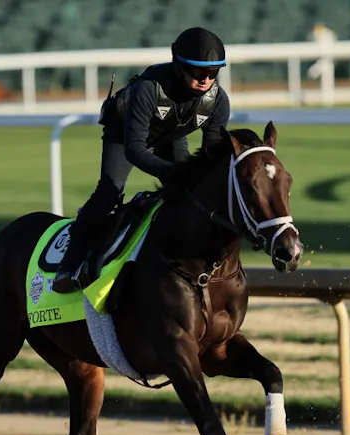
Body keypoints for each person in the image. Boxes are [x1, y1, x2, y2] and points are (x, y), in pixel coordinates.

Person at [52, 27, 231, 293]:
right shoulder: (149, 87)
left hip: (171, 136)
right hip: (124, 134)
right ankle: (69, 266)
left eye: (213, 72)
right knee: (110, 191)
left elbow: (211, 158)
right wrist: (174, 172)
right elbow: (134, 148)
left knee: (192, 195)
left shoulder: (218, 102)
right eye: (197, 71)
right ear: (179, 65)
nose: (206, 79)